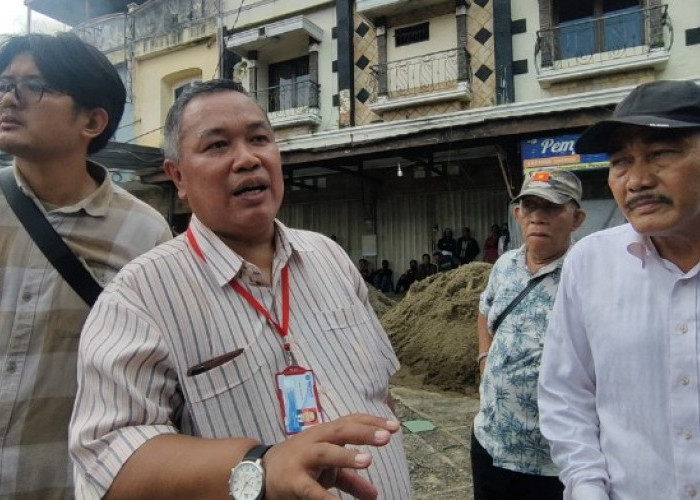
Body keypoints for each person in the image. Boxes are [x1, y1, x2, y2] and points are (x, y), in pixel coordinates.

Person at [69, 80, 411, 500]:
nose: (247, 158)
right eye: (217, 146)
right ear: (177, 176)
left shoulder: (330, 257)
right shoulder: (139, 297)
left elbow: (379, 393)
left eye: (259, 139)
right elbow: (108, 461)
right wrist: (260, 466)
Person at [0, 33, 171, 499]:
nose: (10, 98)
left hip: (66, 483)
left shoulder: (144, 234)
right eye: (5, 82)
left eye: (33, 85)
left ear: (93, 120)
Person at [538, 80, 700, 500]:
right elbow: (566, 392)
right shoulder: (590, 263)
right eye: (620, 162)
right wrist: (587, 487)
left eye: (661, 153)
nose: (637, 180)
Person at [472, 167, 586, 500]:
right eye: (530, 208)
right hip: (490, 442)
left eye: (551, 208)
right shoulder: (505, 264)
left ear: (576, 218)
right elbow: (484, 310)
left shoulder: (587, 272)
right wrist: (484, 357)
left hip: (551, 460)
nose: (538, 218)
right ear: (518, 214)